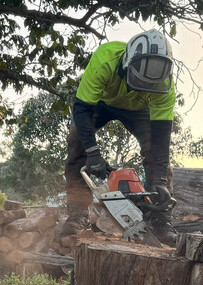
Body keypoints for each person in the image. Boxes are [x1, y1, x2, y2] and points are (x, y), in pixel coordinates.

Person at [62, 30, 177, 244]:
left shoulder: (165, 87)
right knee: (77, 141)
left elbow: (162, 141)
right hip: (100, 103)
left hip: (140, 110)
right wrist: (92, 152)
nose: (144, 87)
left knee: (156, 157)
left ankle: (160, 217)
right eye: (139, 80)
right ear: (126, 64)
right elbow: (82, 110)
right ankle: (78, 214)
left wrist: (160, 181)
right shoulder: (105, 59)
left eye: (151, 85)